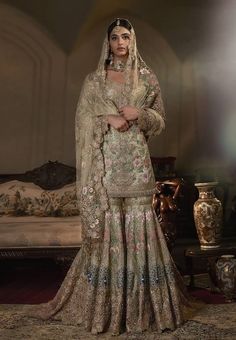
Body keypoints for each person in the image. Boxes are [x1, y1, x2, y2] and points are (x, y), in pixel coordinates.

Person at [24, 18, 192, 335]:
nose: (120, 42)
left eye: (125, 36)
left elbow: (160, 119)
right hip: (107, 163)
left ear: (133, 40)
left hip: (137, 161)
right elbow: (83, 119)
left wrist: (139, 114)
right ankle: (108, 308)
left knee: (139, 220)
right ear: (108, 42)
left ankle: (147, 307)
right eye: (114, 37)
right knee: (111, 221)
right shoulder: (95, 80)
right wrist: (109, 117)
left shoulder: (146, 76)